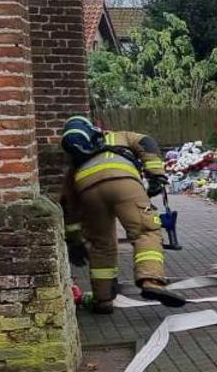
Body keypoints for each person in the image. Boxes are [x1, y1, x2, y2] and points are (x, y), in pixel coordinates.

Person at [58, 116, 185, 313]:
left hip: (88, 192)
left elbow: (68, 204)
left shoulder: (77, 163)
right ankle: (151, 281)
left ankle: (103, 300)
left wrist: (74, 240)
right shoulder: (120, 136)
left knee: (101, 246)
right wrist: (156, 175)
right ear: (94, 129)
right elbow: (146, 143)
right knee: (145, 231)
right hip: (124, 183)